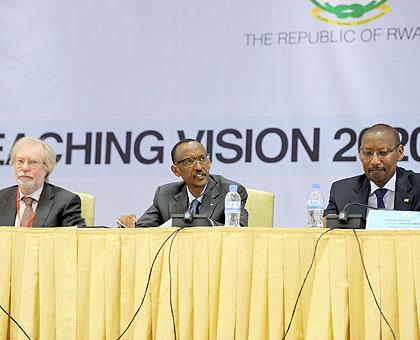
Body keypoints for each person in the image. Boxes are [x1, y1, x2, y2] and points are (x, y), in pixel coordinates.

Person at [119, 139, 248, 227]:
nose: (198, 166)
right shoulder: (165, 194)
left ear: (209, 162)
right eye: (189, 161)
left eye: (202, 159)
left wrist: (196, 223)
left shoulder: (231, 192)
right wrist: (129, 225)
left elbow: (238, 230)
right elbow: (145, 230)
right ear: (176, 170)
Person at [324, 123, 420, 219]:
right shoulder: (342, 191)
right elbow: (326, 226)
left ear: (400, 152)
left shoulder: (417, 187)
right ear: (361, 154)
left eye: (382, 153)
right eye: (368, 153)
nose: (375, 162)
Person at [0, 137, 86, 227]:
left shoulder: (65, 202)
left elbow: (77, 238)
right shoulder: (1, 199)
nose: (25, 168)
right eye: (20, 161)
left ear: (46, 168)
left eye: (32, 162)